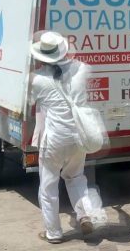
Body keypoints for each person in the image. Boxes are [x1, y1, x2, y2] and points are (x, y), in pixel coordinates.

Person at [30, 31, 94, 244]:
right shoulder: (82, 70)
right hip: (78, 137)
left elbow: (28, 100)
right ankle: (84, 214)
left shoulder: (37, 80)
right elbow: (74, 61)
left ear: (41, 56)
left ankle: (54, 233)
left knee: (48, 187)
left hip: (55, 139)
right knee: (76, 177)